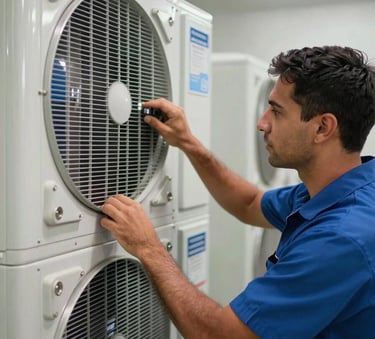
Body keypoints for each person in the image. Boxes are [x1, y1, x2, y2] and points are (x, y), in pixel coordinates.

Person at [101, 46, 375, 338]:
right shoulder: (340, 190)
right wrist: (189, 144)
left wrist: (149, 249)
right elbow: (249, 203)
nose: (262, 123)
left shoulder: (340, 238)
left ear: (322, 128)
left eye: (277, 112)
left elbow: (221, 336)